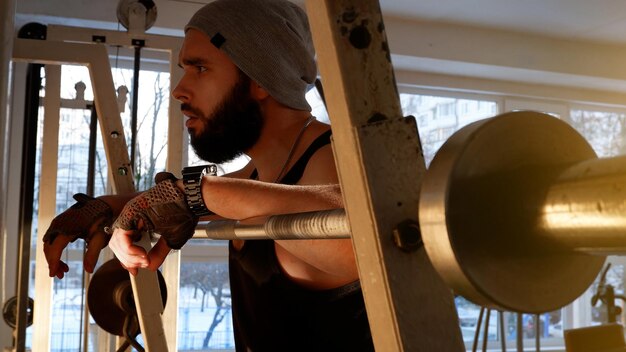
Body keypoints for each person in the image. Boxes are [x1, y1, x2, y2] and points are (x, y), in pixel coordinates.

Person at [42, 0, 374, 350]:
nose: (178, 90)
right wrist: (105, 208)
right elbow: (223, 198)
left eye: (200, 68)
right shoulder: (262, 173)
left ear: (261, 77)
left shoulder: (332, 157)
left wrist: (192, 193)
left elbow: (371, 238)